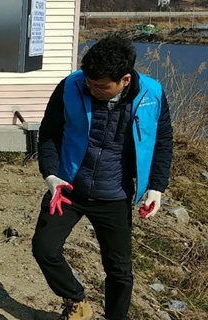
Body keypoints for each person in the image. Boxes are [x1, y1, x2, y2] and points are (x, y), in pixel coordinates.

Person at [32, 35, 173, 320]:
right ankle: (76, 299)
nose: (92, 90)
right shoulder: (70, 86)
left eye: (101, 87)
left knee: (119, 270)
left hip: (114, 194)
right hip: (67, 188)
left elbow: (162, 142)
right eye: (89, 83)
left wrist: (156, 187)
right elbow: (49, 133)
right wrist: (50, 174)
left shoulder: (152, 94)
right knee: (44, 248)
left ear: (124, 80)